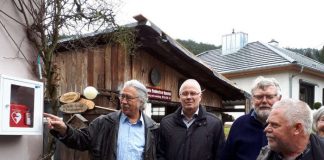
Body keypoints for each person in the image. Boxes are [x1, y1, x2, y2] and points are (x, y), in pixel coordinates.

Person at [44, 79, 159, 160]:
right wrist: (64, 129)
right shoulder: (104, 122)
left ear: (141, 101)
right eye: (122, 96)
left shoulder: (153, 129)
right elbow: (82, 140)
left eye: (128, 98)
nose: (123, 101)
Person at [157, 79, 225, 160]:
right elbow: (160, 154)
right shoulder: (166, 123)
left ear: (200, 97)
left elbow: (220, 155)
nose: (189, 97)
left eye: (193, 93)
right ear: (179, 97)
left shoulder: (214, 123)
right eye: (185, 93)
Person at [221, 76, 282, 160]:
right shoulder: (239, 125)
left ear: (279, 99)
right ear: (252, 99)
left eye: (269, 96)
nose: (264, 101)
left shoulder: (287, 125)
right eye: (259, 97)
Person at [257, 99, 324, 160]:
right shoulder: (265, 154)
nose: (266, 129)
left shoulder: (320, 152)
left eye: (274, 125)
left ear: (297, 128)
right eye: (268, 123)